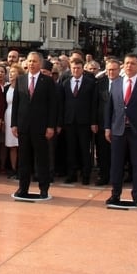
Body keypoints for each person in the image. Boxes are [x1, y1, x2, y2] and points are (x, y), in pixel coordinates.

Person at [104, 54, 137, 207]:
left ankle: (136, 195)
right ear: (123, 65)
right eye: (126, 63)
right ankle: (115, 194)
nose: (129, 66)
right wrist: (107, 127)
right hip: (118, 129)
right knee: (116, 164)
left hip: (136, 130)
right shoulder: (116, 83)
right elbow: (110, 107)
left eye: (132, 63)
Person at [12, 51, 59, 199]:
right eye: (30, 61)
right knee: (24, 160)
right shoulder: (20, 80)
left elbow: (53, 106)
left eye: (34, 61)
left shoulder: (48, 81)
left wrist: (50, 126)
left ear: (40, 63)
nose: (31, 64)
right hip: (23, 126)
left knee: (41, 159)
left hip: (41, 127)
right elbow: (16, 104)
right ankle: (23, 188)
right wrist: (14, 124)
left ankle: (43, 188)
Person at [59, 57, 99, 185]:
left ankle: (86, 174)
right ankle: (72, 174)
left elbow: (94, 104)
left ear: (83, 69)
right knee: (70, 149)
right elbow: (62, 104)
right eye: (73, 68)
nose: (76, 70)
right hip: (69, 122)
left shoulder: (90, 83)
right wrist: (61, 122)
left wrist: (93, 122)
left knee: (84, 149)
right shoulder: (65, 83)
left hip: (84, 122)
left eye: (78, 68)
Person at [3, 64, 22, 179]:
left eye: (13, 72)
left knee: (21, 145)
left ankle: (21, 169)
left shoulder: (23, 87)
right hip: (8, 117)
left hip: (20, 118)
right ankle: (13, 169)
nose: (11, 74)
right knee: (12, 146)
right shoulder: (6, 88)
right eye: (10, 72)